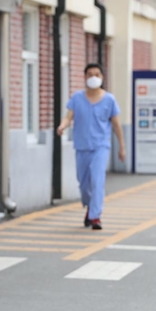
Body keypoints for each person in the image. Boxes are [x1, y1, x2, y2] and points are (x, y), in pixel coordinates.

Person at [57, 63, 125, 230]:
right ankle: (89, 207)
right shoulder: (77, 98)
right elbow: (68, 116)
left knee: (97, 180)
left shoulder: (109, 99)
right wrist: (63, 125)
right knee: (84, 183)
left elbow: (116, 125)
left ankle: (95, 216)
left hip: (101, 147)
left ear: (102, 78)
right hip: (82, 146)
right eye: (90, 74)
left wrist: (122, 147)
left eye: (97, 74)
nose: (93, 77)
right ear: (85, 77)